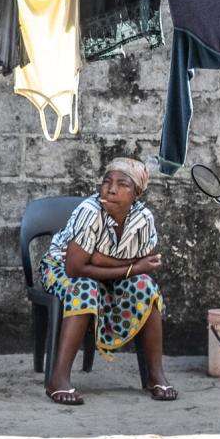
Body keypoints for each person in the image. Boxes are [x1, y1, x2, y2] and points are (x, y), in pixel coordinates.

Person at [40, 157, 175, 405]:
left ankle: (155, 376)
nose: (111, 189)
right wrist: (129, 267)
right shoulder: (90, 211)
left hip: (100, 270)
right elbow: (75, 267)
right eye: (106, 182)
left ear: (136, 193)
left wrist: (103, 261)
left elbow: (147, 260)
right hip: (59, 266)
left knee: (147, 286)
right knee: (85, 287)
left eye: (122, 184)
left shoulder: (143, 218)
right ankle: (58, 379)